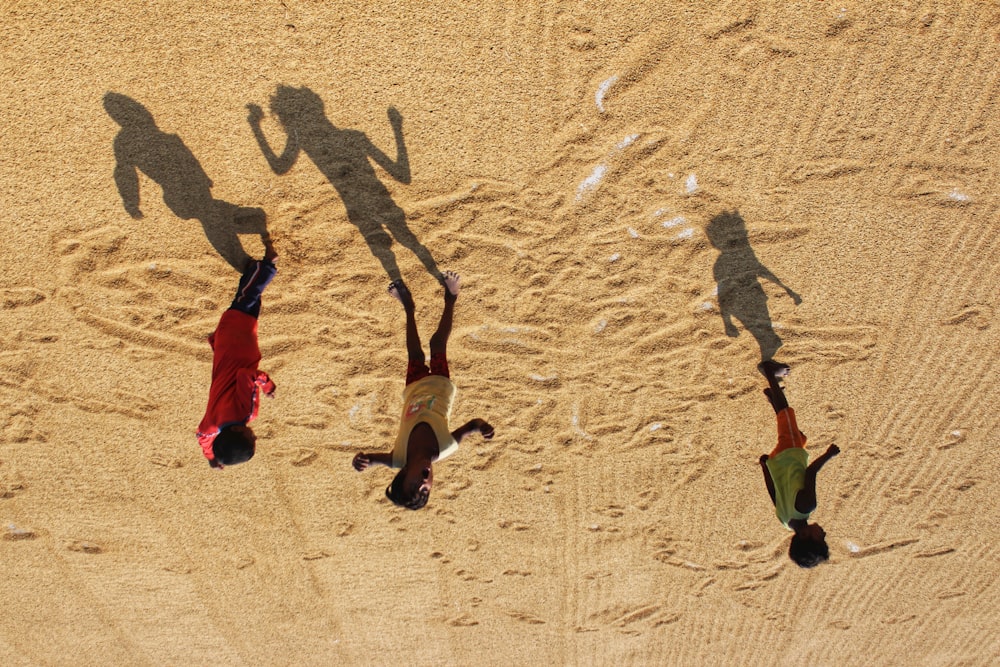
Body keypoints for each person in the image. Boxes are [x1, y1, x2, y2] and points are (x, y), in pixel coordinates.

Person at [352, 271, 494, 509]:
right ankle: (451, 297)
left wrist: (360, 461)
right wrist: (482, 426)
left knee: (415, 353)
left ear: (403, 472)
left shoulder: (397, 458)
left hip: (414, 389)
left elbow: (371, 459)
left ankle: (408, 307)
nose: (424, 481)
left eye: (414, 483)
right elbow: (471, 426)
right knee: (437, 344)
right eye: (426, 488)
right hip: (439, 384)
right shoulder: (445, 447)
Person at [196, 236, 278, 468]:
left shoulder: (246, 414)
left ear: (240, 430)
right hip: (224, 346)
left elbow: (247, 375)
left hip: (240, 344)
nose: (255, 436)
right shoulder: (212, 425)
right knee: (243, 303)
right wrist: (211, 458)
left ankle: (267, 265)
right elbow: (203, 437)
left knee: (248, 302)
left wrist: (267, 385)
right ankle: (255, 270)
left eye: (251, 439)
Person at [757, 360, 840, 567]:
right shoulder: (785, 522)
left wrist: (829, 455)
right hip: (778, 459)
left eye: (821, 538)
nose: (824, 533)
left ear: (805, 536)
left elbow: (811, 472)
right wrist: (765, 467)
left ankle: (770, 372)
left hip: (790, 453)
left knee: (787, 414)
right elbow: (773, 492)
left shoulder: (807, 506)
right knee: (798, 433)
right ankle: (772, 397)